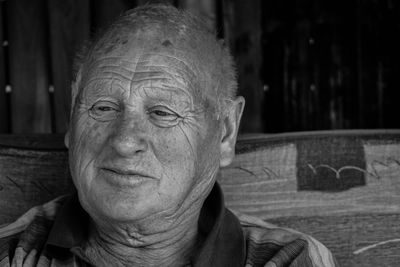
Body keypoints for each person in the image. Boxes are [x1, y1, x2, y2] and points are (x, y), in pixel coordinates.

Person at [0, 4, 336, 267]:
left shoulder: (289, 260)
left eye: (162, 113)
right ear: (72, 117)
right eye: (103, 108)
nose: (125, 141)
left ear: (226, 132)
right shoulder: (13, 253)